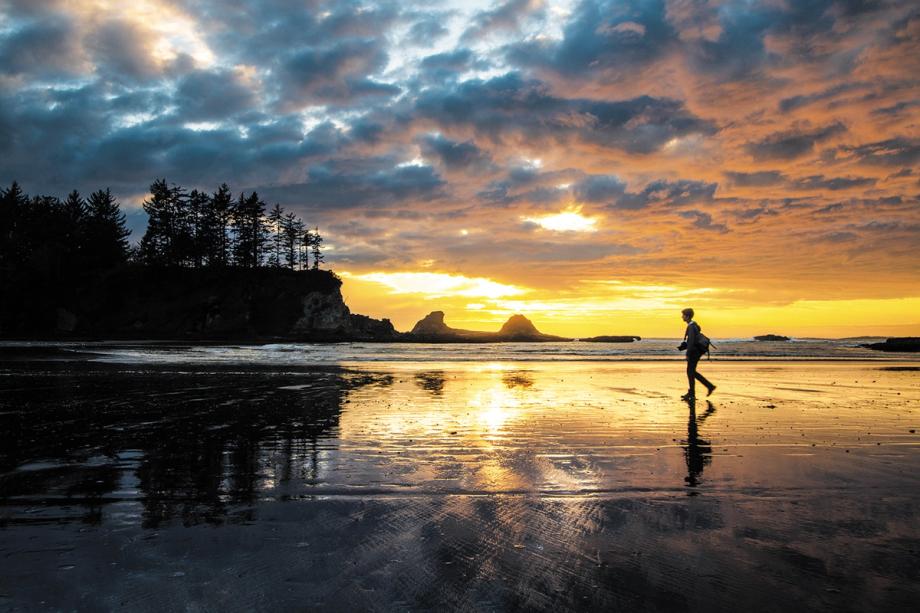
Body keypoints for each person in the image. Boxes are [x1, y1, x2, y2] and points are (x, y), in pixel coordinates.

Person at [678, 308, 715, 400]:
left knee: (690, 372)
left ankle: (704, 388)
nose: (682, 316)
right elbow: (692, 340)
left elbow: (691, 342)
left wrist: (688, 353)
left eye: (683, 315)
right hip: (696, 351)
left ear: (687, 316)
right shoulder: (693, 325)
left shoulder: (691, 326)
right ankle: (694, 392)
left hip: (694, 352)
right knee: (691, 372)